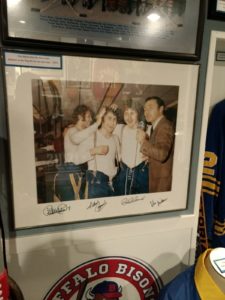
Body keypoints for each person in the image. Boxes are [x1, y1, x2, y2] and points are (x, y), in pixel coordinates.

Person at [54, 105, 106, 201]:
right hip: (70, 173)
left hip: (80, 173)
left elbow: (84, 156)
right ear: (79, 117)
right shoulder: (71, 131)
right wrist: (97, 123)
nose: (90, 120)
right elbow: (76, 144)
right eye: (88, 116)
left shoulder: (83, 133)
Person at [137, 96, 175, 193]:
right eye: (145, 109)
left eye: (150, 108)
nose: (146, 112)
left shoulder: (165, 125)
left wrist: (143, 141)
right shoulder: (157, 126)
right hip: (158, 177)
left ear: (161, 109)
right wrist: (150, 157)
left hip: (162, 182)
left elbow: (162, 154)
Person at [84, 107, 121, 199]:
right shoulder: (93, 135)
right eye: (109, 118)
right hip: (97, 184)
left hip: (113, 184)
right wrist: (94, 151)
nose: (112, 123)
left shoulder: (115, 138)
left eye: (114, 119)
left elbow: (120, 158)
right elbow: (79, 156)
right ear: (102, 120)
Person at [113, 99, 148, 195]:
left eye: (132, 113)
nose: (129, 117)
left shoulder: (148, 130)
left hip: (141, 173)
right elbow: (101, 129)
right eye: (126, 113)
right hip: (123, 173)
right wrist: (110, 110)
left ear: (138, 114)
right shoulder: (119, 128)